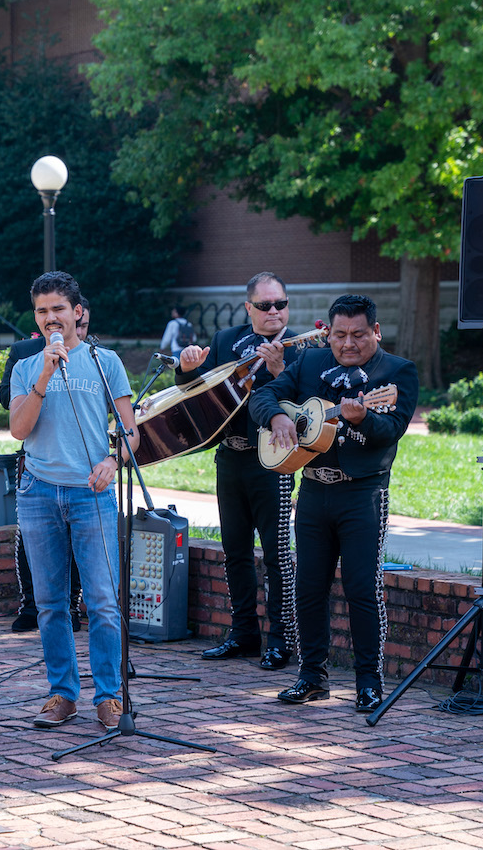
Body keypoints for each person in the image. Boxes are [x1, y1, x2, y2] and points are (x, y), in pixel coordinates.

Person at [250, 294, 418, 713]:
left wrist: (364, 417)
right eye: (339, 335)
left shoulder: (397, 373)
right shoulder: (309, 363)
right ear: (328, 333)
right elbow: (262, 396)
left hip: (363, 493)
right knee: (307, 589)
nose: (348, 344)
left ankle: (368, 682)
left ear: (375, 332)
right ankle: (312, 677)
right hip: (313, 491)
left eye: (358, 335)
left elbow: (391, 430)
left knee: (362, 589)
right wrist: (278, 417)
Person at [10, 271, 139, 730]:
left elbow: (131, 433)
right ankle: (63, 693)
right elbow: (20, 430)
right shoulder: (27, 367)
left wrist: (113, 461)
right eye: (42, 312)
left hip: (93, 494)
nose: (51, 319)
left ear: (77, 312)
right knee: (50, 602)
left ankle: (109, 696)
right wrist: (45, 369)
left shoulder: (106, 363)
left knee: (103, 601)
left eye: (58, 310)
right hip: (39, 492)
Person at [175, 272, 301, 669]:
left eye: (280, 303)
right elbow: (198, 394)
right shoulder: (228, 339)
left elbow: (307, 406)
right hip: (230, 457)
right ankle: (244, 633)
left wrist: (281, 370)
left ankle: (281, 640)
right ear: (249, 308)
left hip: (274, 462)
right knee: (235, 552)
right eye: (265, 306)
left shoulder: (302, 348)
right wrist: (186, 368)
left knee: (278, 553)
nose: (274, 312)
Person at [0, 298, 90, 633]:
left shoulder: (94, 357)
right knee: (30, 536)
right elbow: (7, 396)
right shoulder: (25, 352)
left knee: (77, 537)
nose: (75, 332)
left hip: (81, 463)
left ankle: (72, 605)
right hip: (37, 457)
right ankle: (31, 605)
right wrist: (42, 376)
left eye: (83, 327)